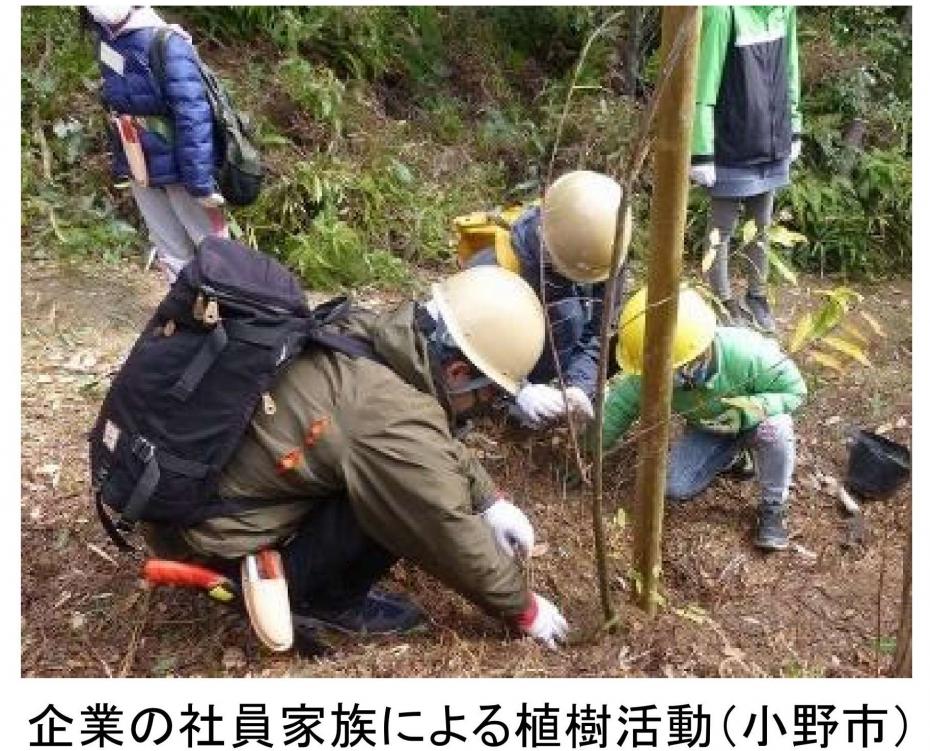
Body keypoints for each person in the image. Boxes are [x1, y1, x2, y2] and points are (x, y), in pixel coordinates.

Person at [144, 266, 569, 649]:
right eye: (487, 394)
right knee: (404, 497)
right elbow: (443, 524)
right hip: (217, 544)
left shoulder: (370, 331)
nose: (484, 407)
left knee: (396, 474)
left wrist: (489, 500)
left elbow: (424, 438)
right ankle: (318, 598)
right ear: (457, 373)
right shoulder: (387, 417)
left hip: (192, 501)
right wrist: (523, 608)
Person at [601, 286, 807, 551]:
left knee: (775, 429)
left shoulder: (748, 354)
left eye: (673, 371)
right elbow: (620, 408)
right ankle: (733, 457)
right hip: (709, 429)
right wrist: (589, 451)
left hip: (756, 421)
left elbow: (796, 391)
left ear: (700, 353)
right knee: (675, 486)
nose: (665, 379)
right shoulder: (653, 369)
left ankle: (773, 508)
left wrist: (748, 411)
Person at [458, 170, 633, 427]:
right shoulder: (492, 268)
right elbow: (462, 349)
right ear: (542, 233)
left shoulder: (603, 252)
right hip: (505, 367)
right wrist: (518, 391)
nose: (575, 278)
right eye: (562, 267)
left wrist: (580, 386)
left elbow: (600, 332)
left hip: (560, 356)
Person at [85, 5, 228, 282]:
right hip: (138, 158)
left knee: (210, 245)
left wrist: (200, 181)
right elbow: (116, 103)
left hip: (178, 159)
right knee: (169, 244)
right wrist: (123, 161)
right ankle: (184, 311)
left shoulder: (166, 42)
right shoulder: (108, 42)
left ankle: (231, 312)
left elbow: (193, 113)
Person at [690, 6, 802, 332]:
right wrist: (702, 151)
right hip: (731, 144)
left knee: (762, 226)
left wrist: (794, 126)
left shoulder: (784, 9)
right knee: (720, 231)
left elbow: (791, 69)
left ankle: (757, 296)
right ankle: (721, 301)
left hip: (772, 140)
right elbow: (704, 84)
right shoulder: (723, 12)